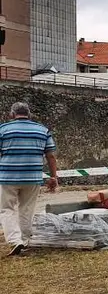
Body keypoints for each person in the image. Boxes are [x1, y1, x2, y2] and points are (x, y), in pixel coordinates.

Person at [0, 102, 58, 256]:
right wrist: (53, 177)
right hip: (32, 177)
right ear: (29, 114)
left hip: (7, 177)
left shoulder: (3, 129)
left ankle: (15, 241)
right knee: (26, 209)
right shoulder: (42, 130)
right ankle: (25, 241)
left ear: (12, 114)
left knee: (6, 209)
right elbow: (51, 156)